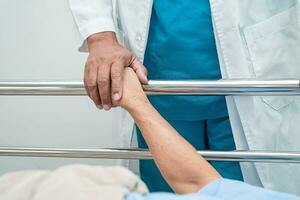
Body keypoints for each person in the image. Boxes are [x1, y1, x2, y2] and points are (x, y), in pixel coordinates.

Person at [69, 0, 300, 194]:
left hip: (250, 83)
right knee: (164, 190)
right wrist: (100, 36)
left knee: (246, 192)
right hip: (157, 88)